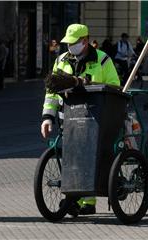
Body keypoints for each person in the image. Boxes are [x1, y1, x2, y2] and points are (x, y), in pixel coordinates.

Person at [41, 24, 120, 216]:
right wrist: (47, 117)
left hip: (94, 116)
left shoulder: (102, 60)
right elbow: (51, 92)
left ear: (85, 41)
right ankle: (74, 197)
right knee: (71, 157)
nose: (69, 47)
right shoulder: (60, 60)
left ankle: (87, 201)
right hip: (67, 115)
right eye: (67, 43)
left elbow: (115, 87)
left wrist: (90, 84)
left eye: (73, 43)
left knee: (90, 156)